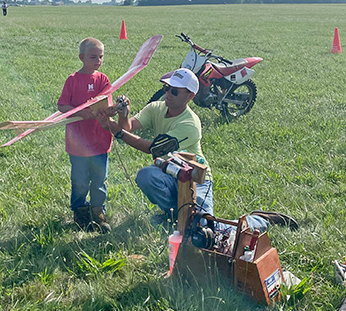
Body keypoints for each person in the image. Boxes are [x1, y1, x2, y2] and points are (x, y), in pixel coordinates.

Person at [98, 68, 297, 232]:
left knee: (207, 229)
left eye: (175, 91)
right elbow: (128, 128)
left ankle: (258, 220)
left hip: (196, 178)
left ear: (190, 96)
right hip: (171, 171)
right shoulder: (156, 108)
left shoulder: (190, 124)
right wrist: (123, 114)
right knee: (146, 176)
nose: (168, 94)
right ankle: (175, 215)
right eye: (167, 88)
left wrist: (117, 131)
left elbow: (153, 148)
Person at [57, 37, 113, 233]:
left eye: (101, 57)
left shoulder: (103, 80)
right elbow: (62, 106)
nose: (98, 60)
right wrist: (81, 112)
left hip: (99, 141)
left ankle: (98, 212)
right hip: (78, 144)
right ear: (82, 57)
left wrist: (115, 109)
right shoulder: (72, 80)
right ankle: (80, 214)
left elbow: (108, 104)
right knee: (80, 181)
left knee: (99, 180)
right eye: (93, 57)